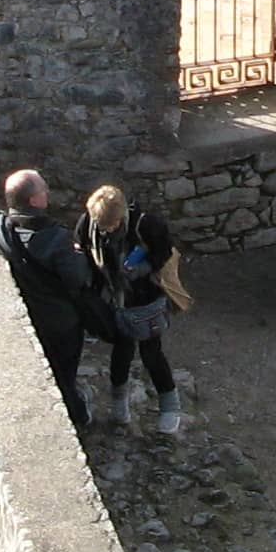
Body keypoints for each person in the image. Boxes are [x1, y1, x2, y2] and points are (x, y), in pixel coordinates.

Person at [0, 167, 95, 428]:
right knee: (64, 373)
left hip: (31, 316)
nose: (48, 191)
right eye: (43, 189)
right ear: (35, 200)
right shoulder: (56, 240)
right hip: (61, 323)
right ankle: (78, 416)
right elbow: (78, 280)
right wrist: (80, 256)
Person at [80, 183, 189, 436]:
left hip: (146, 299)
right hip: (115, 300)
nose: (107, 231)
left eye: (112, 226)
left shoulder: (148, 225)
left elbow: (163, 252)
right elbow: (84, 247)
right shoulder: (90, 223)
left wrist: (141, 269)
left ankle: (170, 407)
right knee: (122, 351)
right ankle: (119, 406)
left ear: (121, 217)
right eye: (102, 227)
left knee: (152, 352)